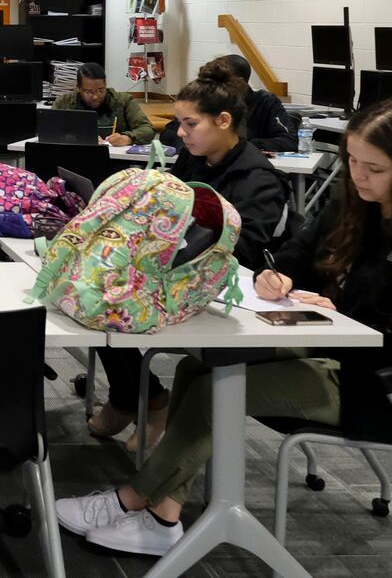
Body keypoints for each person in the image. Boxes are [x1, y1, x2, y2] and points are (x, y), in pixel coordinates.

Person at [56, 98, 392, 557]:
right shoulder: (363, 206)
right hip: (344, 353)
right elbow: (302, 248)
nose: (358, 176)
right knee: (202, 369)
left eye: (374, 168)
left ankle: (138, 502)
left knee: (219, 389)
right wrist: (283, 275)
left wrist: (342, 315)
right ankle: (163, 514)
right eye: (352, 161)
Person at [86, 60, 291, 453]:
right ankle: (132, 398)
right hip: (182, 274)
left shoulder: (257, 179)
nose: (180, 133)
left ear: (224, 121)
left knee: (111, 306)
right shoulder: (196, 159)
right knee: (97, 295)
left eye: (190, 125)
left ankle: (143, 400)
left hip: (229, 292)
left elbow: (243, 251)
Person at [159, 54, 297, 153]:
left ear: (240, 83)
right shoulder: (205, 101)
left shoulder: (265, 102)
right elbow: (169, 133)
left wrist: (240, 146)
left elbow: (289, 140)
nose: (213, 89)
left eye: (219, 83)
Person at [50, 63, 155, 145]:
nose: (95, 97)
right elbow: (50, 131)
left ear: (106, 85)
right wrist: (78, 137)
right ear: (78, 88)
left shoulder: (124, 101)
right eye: (88, 92)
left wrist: (127, 138)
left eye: (100, 90)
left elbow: (147, 129)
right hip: (74, 158)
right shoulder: (64, 103)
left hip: (115, 161)